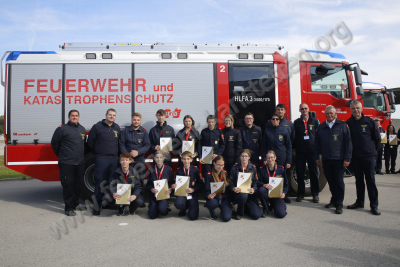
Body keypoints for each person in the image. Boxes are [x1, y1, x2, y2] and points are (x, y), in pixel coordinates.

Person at [314, 105, 352, 215]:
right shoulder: (321, 127)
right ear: (325, 115)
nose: (329, 115)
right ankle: (334, 200)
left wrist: (347, 158)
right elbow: (317, 143)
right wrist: (317, 156)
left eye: (331, 113)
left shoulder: (343, 125)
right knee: (330, 181)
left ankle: (339, 204)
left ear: (335, 114)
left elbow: (348, 143)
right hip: (326, 159)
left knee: (339, 182)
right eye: (327, 113)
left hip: (339, 159)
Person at [346, 101, 381, 216]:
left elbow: (377, 139)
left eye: (357, 108)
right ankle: (360, 202)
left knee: (370, 181)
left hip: (369, 157)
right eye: (353, 108)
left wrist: (372, 152)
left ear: (361, 109)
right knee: (359, 181)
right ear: (350, 110)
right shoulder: (348, 123)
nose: (355, 110)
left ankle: (374, 205)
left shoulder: (369, 121)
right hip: (356, 157)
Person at [51, 110, 86, 216]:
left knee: (78, 185)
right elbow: (54, 144)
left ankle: (76, 204)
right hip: (66, 163)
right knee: (68, 185)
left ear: (79, 117)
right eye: (72, 116)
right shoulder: (62, 129)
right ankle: (68, 208)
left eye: (76, 115)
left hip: (79, 162)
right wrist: (63, 155)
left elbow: (83, 144)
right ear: (69, 117)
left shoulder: (82, 129)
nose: (74, 117)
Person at [87, 108, 120, 215]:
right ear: (106, 115)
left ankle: (109, 204)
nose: (111, 116)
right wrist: (98, 152)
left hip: (114, 159)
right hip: (102, 159)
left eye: (113, 115)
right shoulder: (97, 126)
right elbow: (90, 142)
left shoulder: (117, 127)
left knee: (112, 183)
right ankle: (96, 207)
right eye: (110, 115)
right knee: (100, 183)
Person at [119, 112, 150, 206]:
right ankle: (126, 198)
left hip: (139, 159)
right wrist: (128, 157)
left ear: (140, 121)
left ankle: (140, 199)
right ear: (131, 120)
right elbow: (121, 144)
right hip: (127, 160)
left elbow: (147, 145)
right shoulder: (126, 131)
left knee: (140, 180)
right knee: (127, 179)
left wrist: (138, 152)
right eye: (134, 120)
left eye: (138, 120)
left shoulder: (144, 131)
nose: (136, 121)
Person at [265, 104, 294, 204]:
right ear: (271, 120)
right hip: (270, 158)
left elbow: (289, 146)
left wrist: (289, 161)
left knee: (283, 176)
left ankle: (284, 195)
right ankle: (272, 195)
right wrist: (264, 159)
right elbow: (263, 146)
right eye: (273, 119)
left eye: (277, 119)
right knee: (271, 175)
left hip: (282, 157)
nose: (275, 120)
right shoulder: (267, 131)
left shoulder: (284, 131)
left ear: (279, 120)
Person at [293, 103, 320, 203]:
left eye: (305, 108)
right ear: (299, 110)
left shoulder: (315, 121)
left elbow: (318, 136)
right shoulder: (296, 122)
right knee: (300, 173)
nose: (304, 110)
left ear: (308, 109)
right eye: (302, 109)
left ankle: (315, 194)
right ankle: (301, 194)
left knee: (314, 173)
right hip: (300, 152)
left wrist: (319, 151)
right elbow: (294, 137)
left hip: (312, 152)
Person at [229, 149, 262, 220]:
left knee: (256, 215)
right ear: (240, 157)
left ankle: (245, 209)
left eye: (246, 156)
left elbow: (255, 182)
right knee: (243, 196)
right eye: (242, 156)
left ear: (249, 157)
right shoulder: (235, 168)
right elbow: (230, 182)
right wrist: (233, 188)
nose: (244, 158)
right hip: (238, 194)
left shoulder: (253, 168)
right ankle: (239, 213)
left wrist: (253, 189)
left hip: (249, 195)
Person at [257, 150, 288, 218]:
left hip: (277, 195)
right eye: (268, 158)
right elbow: (257, 182)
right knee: (261, 190)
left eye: (272, 157)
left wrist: (284, 193)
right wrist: (263, 184)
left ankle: (275, 205)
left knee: (281, 214)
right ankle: (266, 208)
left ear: (275, 158)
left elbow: (286, 184)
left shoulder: (281, 170)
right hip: (267, 194)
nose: (270, 159)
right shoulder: (262, 170)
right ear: (265, 159)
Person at [174, 151, 204, 220]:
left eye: (188, 159)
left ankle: (192, 205)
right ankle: (183, 209)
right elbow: (177, 183)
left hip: (192, 194)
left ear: (191, 159)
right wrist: (174, 186)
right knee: (178, 204)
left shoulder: (195, 170)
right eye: (184, 159)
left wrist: (193, 189)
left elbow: (201, 184)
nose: (186, 161)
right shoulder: (179, 170)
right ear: (181, 159)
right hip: (182, 193)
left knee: (193, 217)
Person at [146, 150, 175, 219]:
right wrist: (151, 189)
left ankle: (164, 207)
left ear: (164, 158)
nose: (159, 159)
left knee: (162, 210)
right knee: (152, 216)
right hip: (154, 195)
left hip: (164, 194)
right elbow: (148, 184)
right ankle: (153, 207)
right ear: (154, 158)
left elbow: (171, 182)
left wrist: (170, 189)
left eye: (161, 157)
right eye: (157, 157)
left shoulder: (168, 169)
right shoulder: (151, 169)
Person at [204, 155, 232, 222]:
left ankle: (224, 210)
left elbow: (228, 189)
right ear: (214, 163)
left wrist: (230, 200)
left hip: (223, 198)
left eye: (222, 165)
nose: (220, 167)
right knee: (211, 204)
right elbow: (206, 191)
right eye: (218, 165)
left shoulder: (225, 173)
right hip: (214, 198)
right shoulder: (209, 175)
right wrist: (208, 196)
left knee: (226, 218)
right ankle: (212, 212)